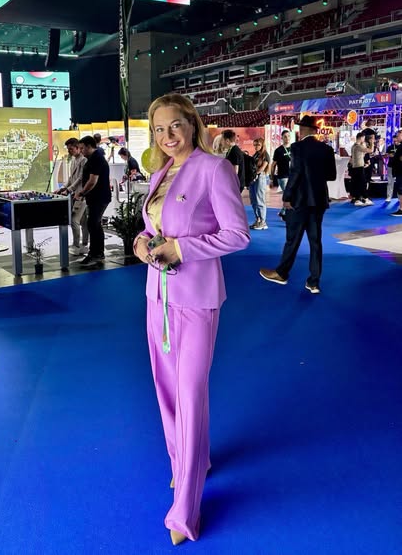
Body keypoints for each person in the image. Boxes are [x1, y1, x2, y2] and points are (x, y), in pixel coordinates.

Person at [133, 93, 250, 545]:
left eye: (175, 126)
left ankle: (185, 508)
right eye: (159, 129)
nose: (167, 136)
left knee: (190, 392)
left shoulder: (215, 169)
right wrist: (142, 242)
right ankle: (185, 462)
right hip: (157, 295)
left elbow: (236, 234)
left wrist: (182, 248)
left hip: (197, 298)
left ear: (192, 124)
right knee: (166, 390)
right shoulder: (160, 171)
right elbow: (154, 226)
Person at [259, 114, 337, 294]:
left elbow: (295, 173)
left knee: (292, 239)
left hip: (299, 200)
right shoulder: (326, 149)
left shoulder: (297, 147)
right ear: (315, 130)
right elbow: (331, 175)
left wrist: (286, 196)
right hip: (318, 200)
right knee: (315, 242)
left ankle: (281, 273)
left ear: (302, 130)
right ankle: (314, 282)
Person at [75, 135, 111, 267]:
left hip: (99, 198)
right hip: (94, 198)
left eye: (82, 148)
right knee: (94, 224)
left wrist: (82, 192)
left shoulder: (97, 158)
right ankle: (96, 253)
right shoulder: (92, 159)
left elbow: (92, 181)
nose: (81, 151)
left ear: (89, 146)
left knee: (93, 224)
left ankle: (96, 254)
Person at [55, 137, 88, 256]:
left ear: (78, 148)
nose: (69, 151)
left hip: (81, 195)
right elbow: (71, 178)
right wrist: (63, 188)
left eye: (71, 149)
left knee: (74, 220)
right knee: (83, 221)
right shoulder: (73, 160)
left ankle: (77, 245)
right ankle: (84, 244)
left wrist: (69, 189)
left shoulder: (84, 160)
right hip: (75, 194)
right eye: (68, 149)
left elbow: (80, 178)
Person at [249, 137, 270, 230]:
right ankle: (257, 219)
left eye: (258, 145)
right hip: (253, 179)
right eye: (255, 145)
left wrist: (254, 174)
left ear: (262, 145)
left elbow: (262, 168)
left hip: (260, 178)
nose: (256, 146)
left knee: (260, 199)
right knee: (253, 200)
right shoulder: (255, 154)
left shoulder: (265, 155)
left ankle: (263, 221)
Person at [270, 130, 292, 220]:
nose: (287, 138)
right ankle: (286, 214)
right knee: (288, 194)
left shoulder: (294, 148)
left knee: (291, 195)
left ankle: (283, 212)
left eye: (288, 136)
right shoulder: (278, 150)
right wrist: (271, 178)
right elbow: (273, 165)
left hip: (293, 176)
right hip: (283, 176)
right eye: (285, 137)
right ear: (282, 138)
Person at [349, 132, 373, 206]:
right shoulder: (358, 146)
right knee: (362, 183)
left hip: (355, 167)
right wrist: (372, 143)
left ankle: (358, 199)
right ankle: (365, 198)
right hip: (359, 167)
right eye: (363, 138)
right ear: (361, 137)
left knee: (357, 183)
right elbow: (370, 150)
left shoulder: (354, 146)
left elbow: (361, 155)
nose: (364, 139)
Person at [385, 130, 402, 202]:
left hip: (399, 167)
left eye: (396, 139)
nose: (395, 141)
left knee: (399, 183)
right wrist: (389, 155)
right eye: (394, 140)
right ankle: (389, 196)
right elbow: (386, 155)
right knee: (390, 182)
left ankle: (399, 198)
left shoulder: (400, 147)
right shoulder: (390, 147)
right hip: (391, 166)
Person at [390, 129, 402, 216]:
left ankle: (401, 209)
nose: (397, 137)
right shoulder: (400, 146)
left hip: (401, 172)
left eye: (398, 136)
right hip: (399, 172)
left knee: (401, 190)